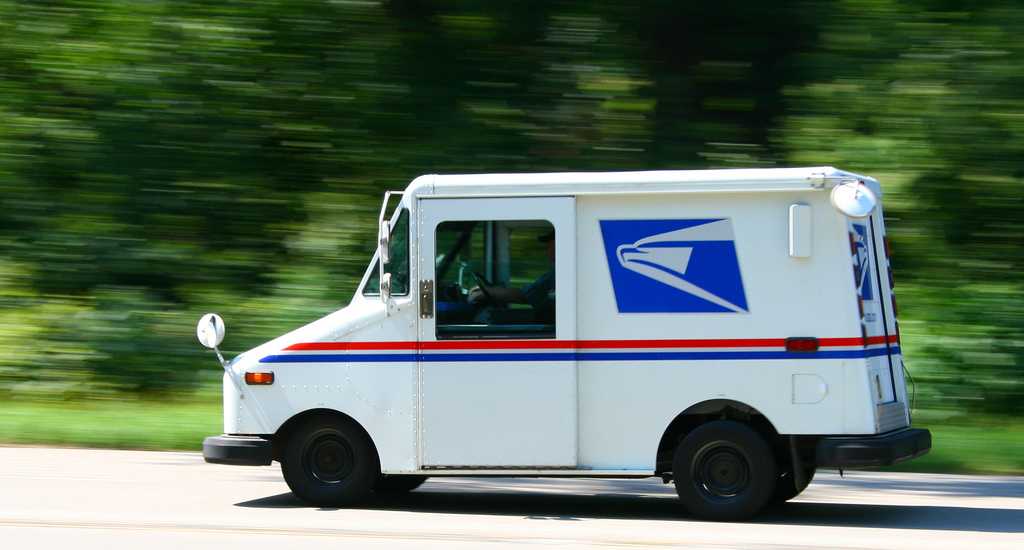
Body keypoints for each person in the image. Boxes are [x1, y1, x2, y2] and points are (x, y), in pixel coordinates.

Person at [468, 231, 555, 319]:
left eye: (550, 245)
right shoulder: (556, 273)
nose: (547, 250)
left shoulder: (555, 275)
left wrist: (486, 292)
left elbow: (524, 295)